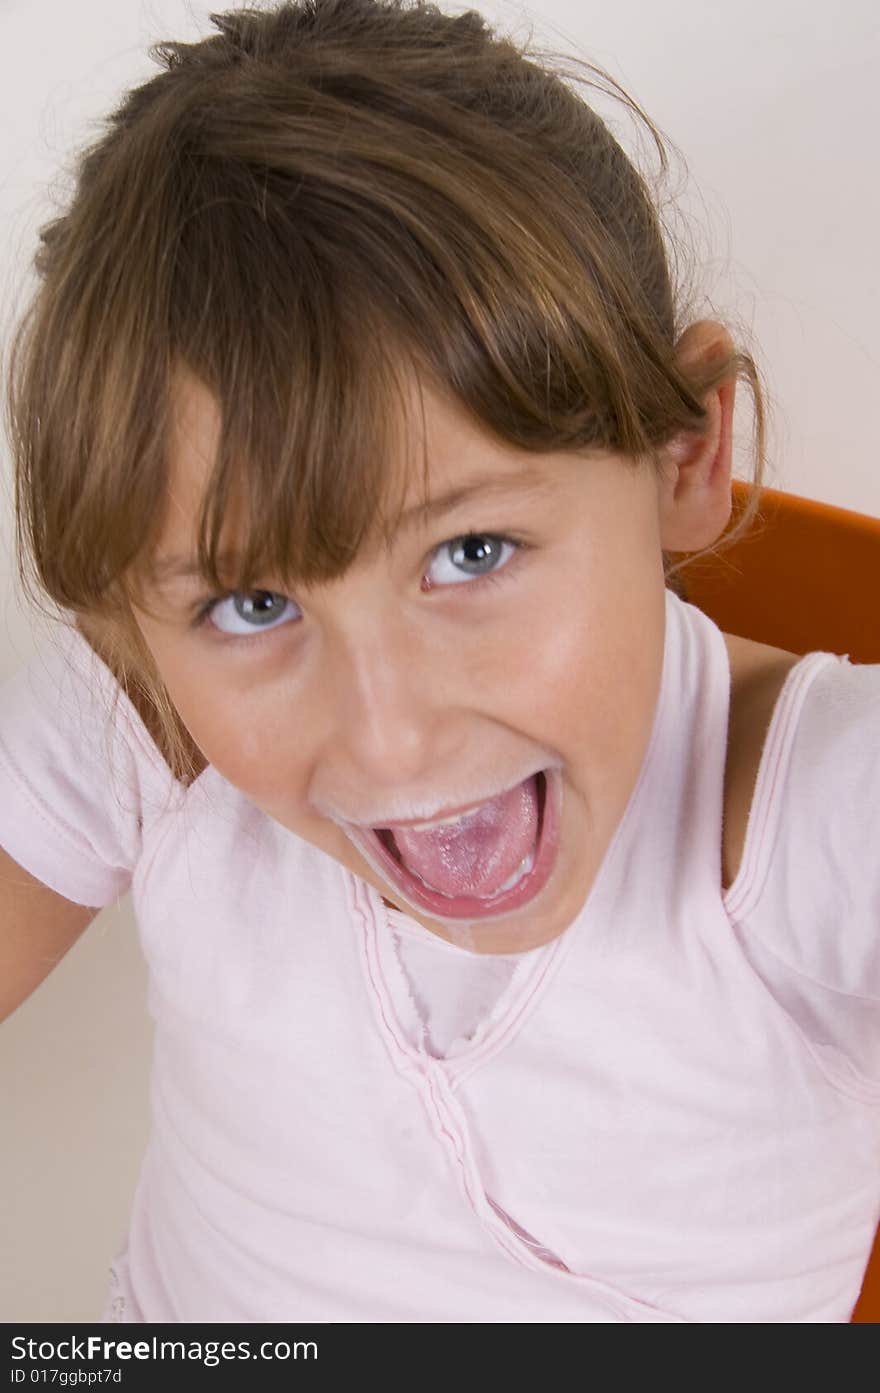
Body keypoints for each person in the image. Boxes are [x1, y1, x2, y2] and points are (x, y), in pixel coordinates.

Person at [1, 0, 878, 1324]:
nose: (392, 738)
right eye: (253, 602)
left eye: (471, 553)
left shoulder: (811, 820)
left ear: (686, 458)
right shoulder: (150, 717)